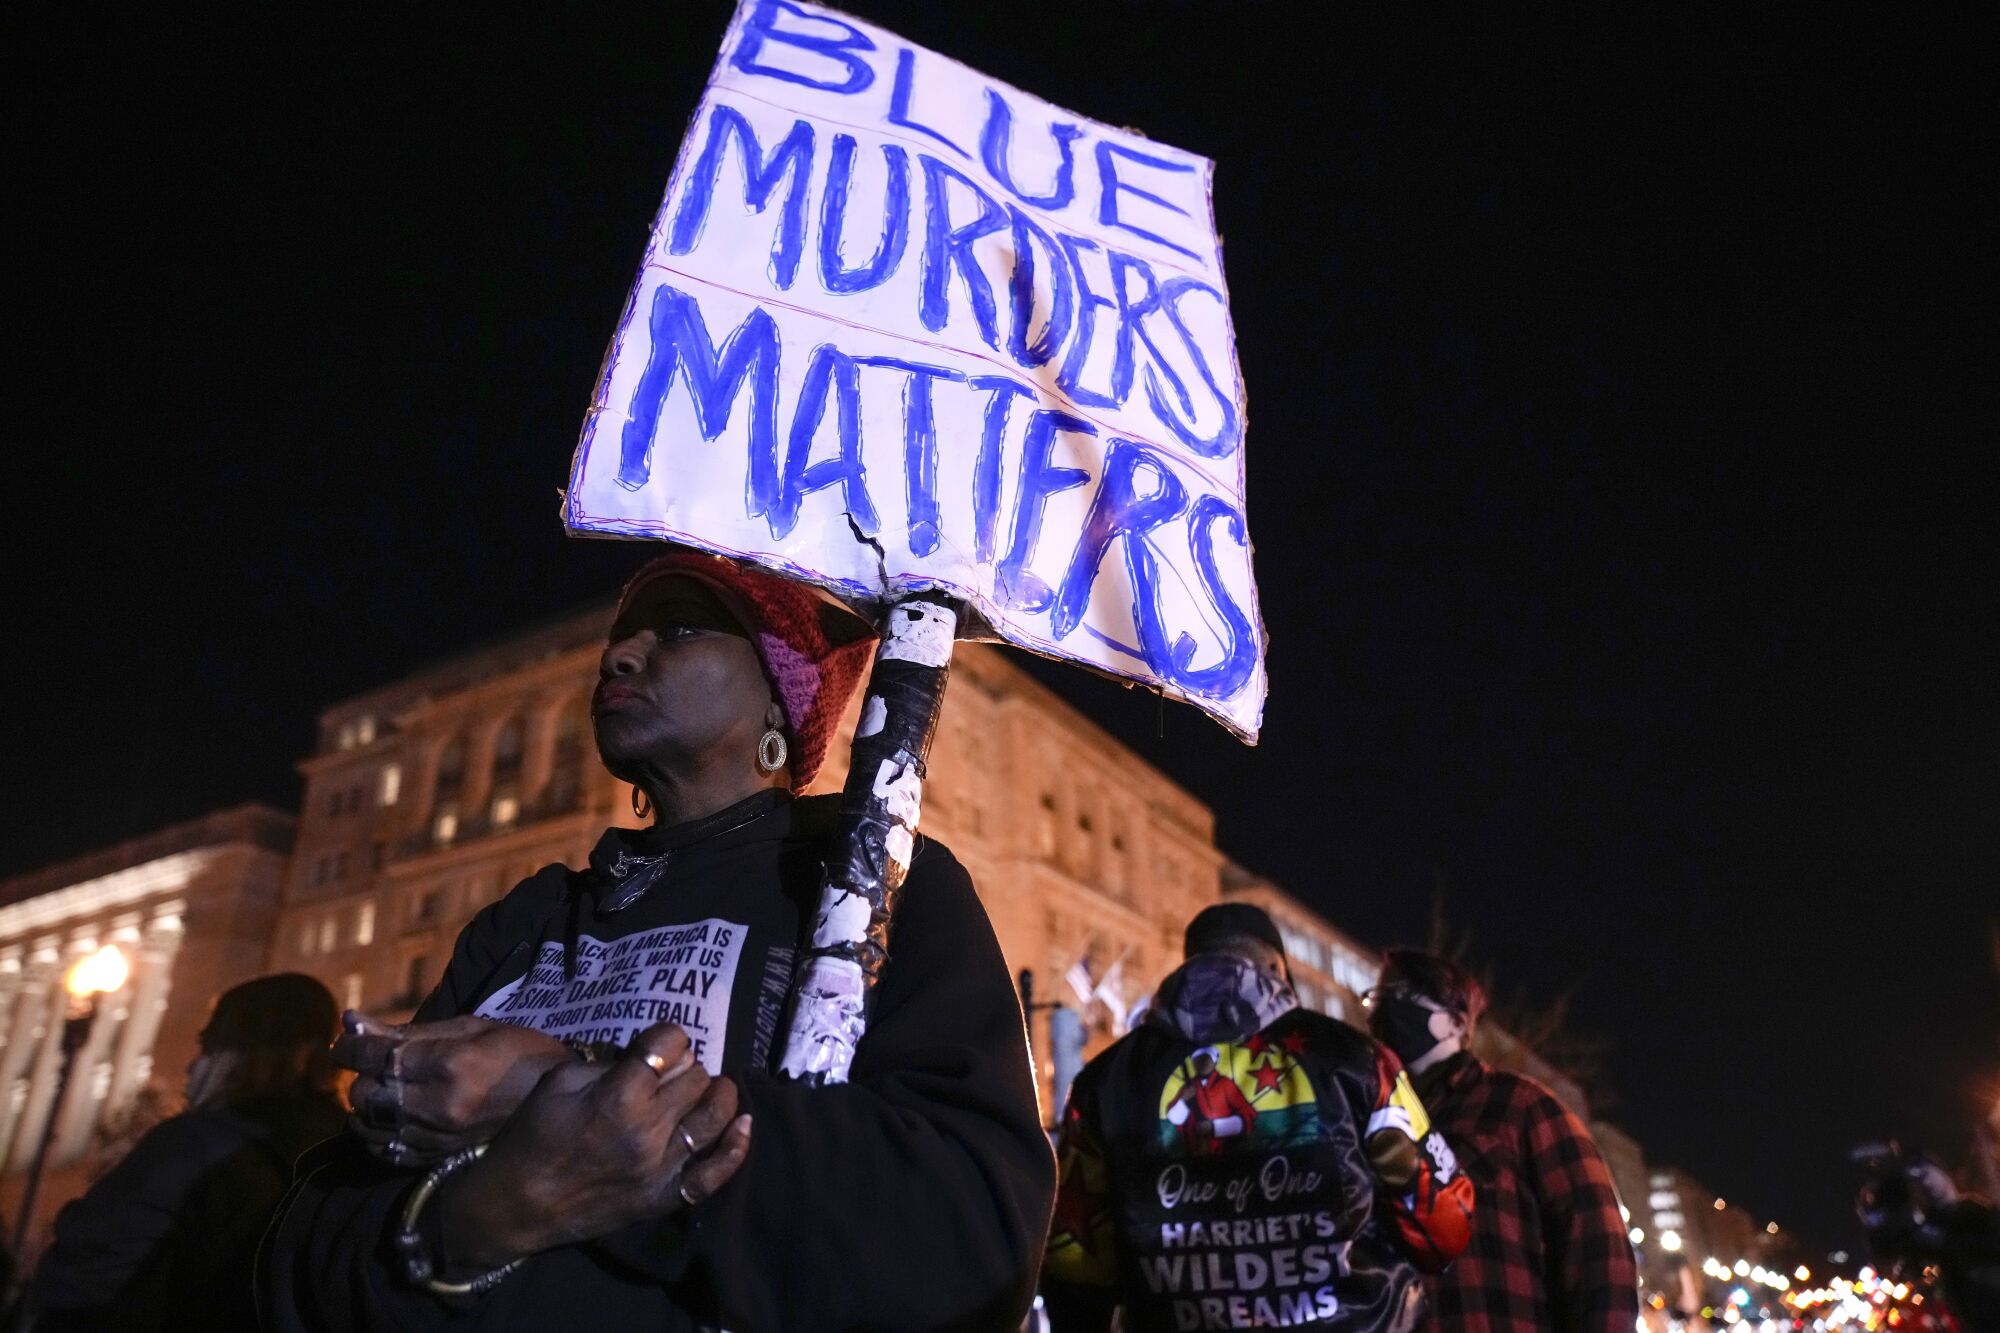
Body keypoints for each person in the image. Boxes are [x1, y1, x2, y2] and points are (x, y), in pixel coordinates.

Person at [259, 550, 1055, 1331]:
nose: (620, 653)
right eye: (622, 635)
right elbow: (307, 1251)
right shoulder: (527, 918)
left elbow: (974, 1237)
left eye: (679, 629)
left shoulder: (872, 883)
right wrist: (478, 1219)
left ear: (783, 699)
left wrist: (559, 1092)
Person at [1042, 903, 1474, 1332]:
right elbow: (1446, 1224)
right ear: (1277, 967)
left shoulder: (1108, 1080)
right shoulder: (1357, 1059)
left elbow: (1074, 1260)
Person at [27, 973, 346, 1331]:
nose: (191, 1067)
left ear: (237, 1056)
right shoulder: (344, 1152)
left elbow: (78, 1272)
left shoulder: (195, 1145)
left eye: (207, 1047)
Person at [1362, 950, 1637, 1333]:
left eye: (1403, 999)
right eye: (1377, 999)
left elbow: (1597, 1250)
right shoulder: (1366, 1119)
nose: (1384, 1013)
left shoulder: (1520, 1106)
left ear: (1456, 1022)